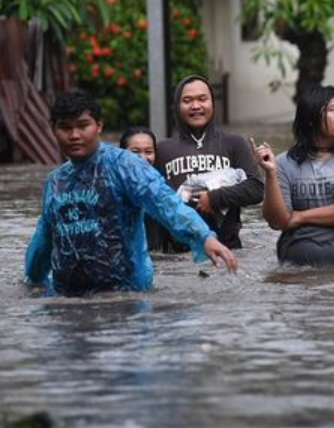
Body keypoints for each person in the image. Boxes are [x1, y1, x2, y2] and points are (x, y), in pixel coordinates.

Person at [25, 89, 237, 296]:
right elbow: (44, 238)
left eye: (83, 126)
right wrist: (32, 280)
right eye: (65, 127)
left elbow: (165, 202)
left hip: (126, 296)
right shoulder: (55, 181)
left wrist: (204, 236)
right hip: (67, 300)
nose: (74, 135)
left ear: (98, 126)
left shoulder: (125, 165)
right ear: (53, 129)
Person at [252, 86, 334, 270]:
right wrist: (270, 173)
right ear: (311, 118)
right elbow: (277, 222)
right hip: (296, 269)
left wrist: (300, 217)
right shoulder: (283, 163)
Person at [155, 75, 264, 250]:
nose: (196, 106)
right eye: (187, 100)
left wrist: (214, 198)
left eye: (202, 99)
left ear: (212, 103)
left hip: (227, 250)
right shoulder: (162, 150)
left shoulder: (234, 143)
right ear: (176, 106)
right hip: (179, 253)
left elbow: (256, 189)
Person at [120, 126, 163, 250]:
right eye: (135, 152)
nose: (143, 158)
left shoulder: (161, 189)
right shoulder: (112, 187)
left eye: (149, 152)